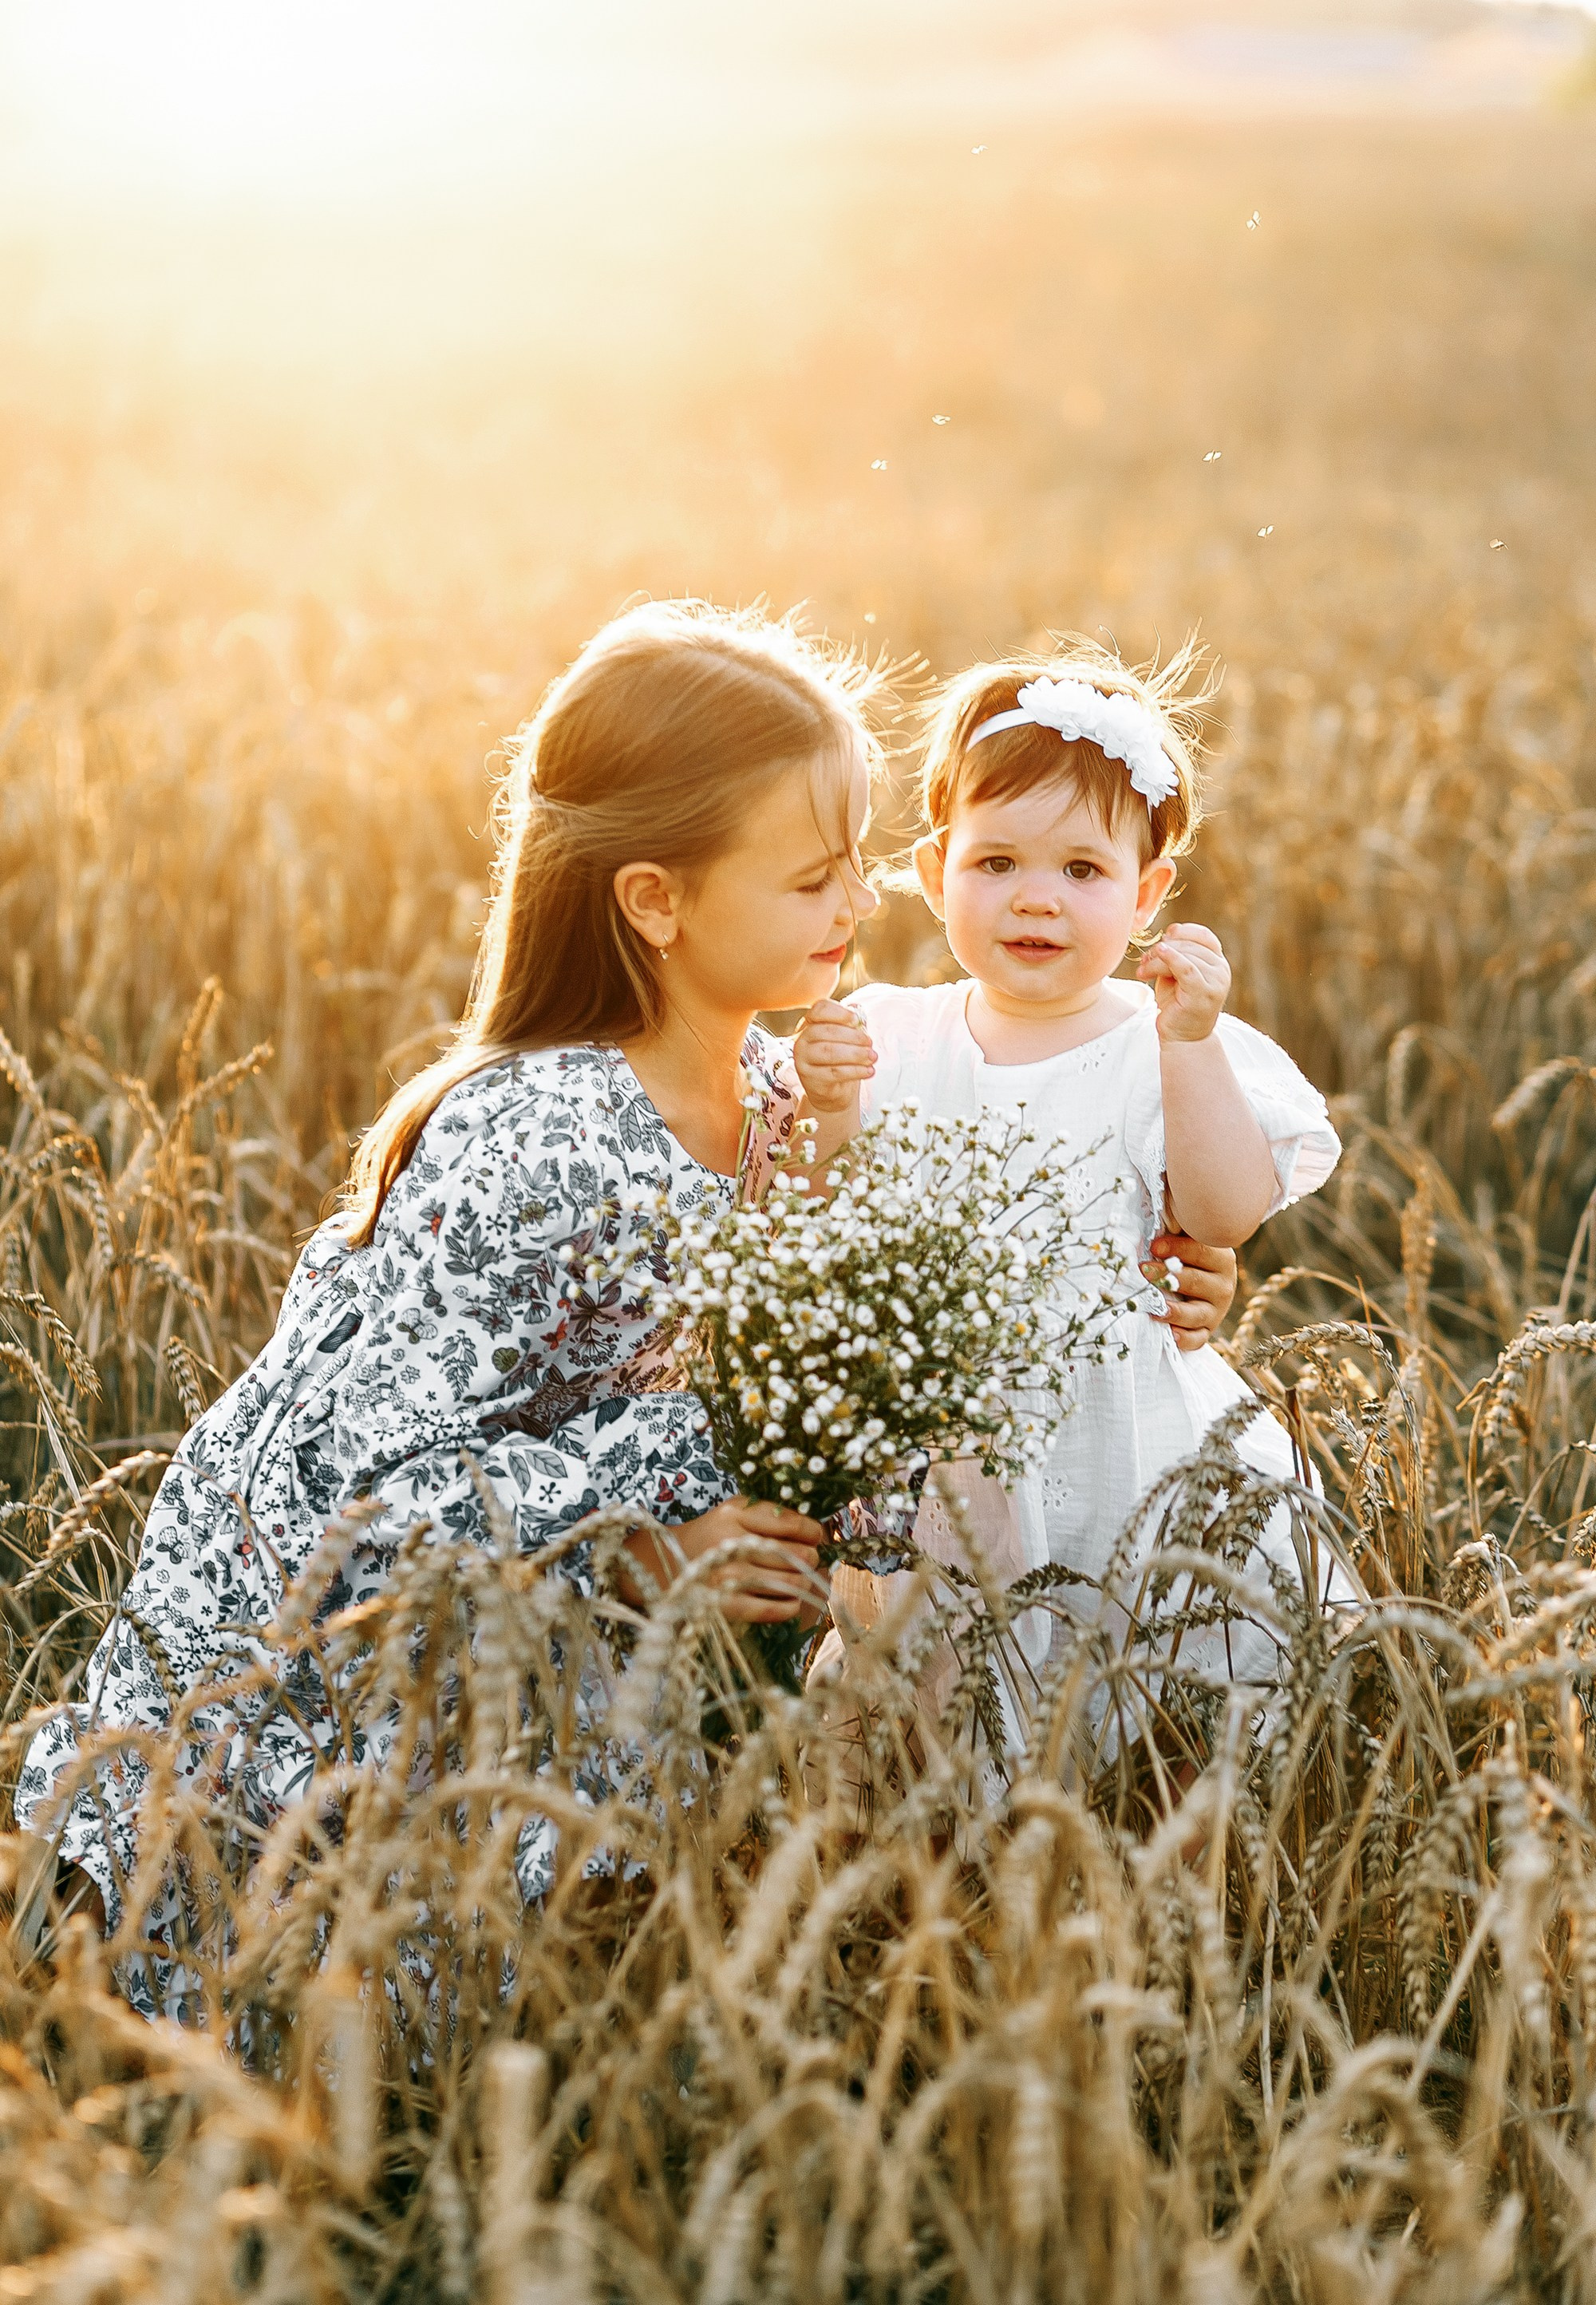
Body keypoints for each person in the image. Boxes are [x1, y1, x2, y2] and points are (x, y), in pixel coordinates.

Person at [18, 603, 1241, 1951]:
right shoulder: (534, 1137)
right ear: (656, 900)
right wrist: (640, 1554)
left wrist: (1149, 1287)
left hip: (649, 1719)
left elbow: (866, 1354)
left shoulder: (792, 1099)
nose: (865, 900)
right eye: (813, 876)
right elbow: (324, 1504)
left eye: (857, 862)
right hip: (365, 1751)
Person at [794, 639, 1341, 1725]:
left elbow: (1224, 1213)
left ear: (1147, 894)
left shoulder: (1161, 1044)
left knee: (1151, 1682)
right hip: (945, 1442)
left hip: (1126, 1428)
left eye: (1082, 872)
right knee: (933, 1699)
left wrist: (1192, 1044)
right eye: (996, 863)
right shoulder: (885, 1034)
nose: (1035, 900)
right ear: (934, 865)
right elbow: (834, 1223)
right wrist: (832, 1106)